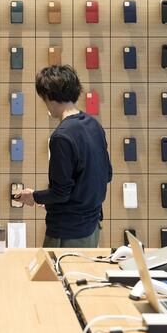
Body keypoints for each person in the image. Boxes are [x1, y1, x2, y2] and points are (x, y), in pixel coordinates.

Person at [15, 65, 112, 247]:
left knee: (58, 275)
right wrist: (53, 200)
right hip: (92, 227)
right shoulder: (94, 125)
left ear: (48, 96)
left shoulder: (61, 137)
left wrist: (34, 197)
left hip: (68, 232)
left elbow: (60, 193)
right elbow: (106, 175)